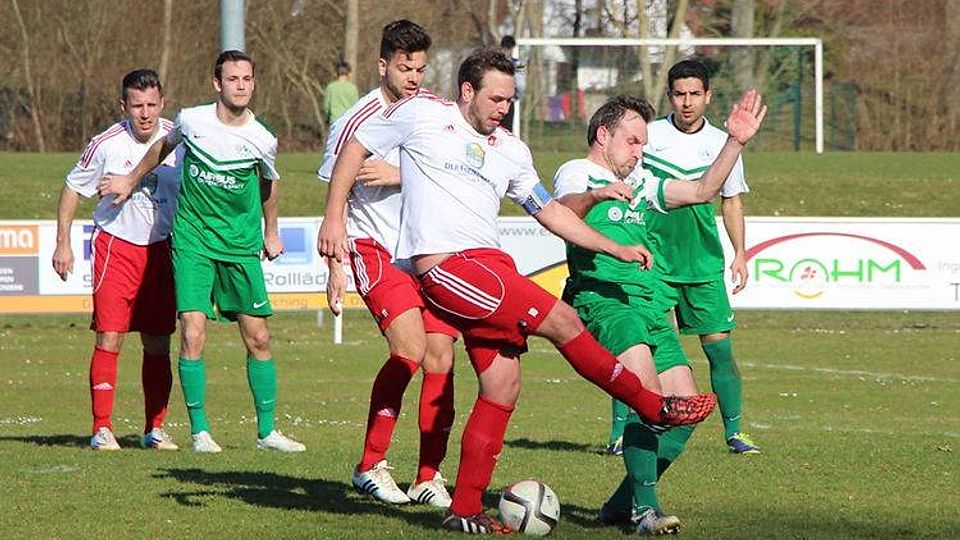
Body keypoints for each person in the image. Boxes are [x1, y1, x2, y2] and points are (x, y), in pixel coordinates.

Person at [318, 47, 717, 534]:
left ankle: (464, 509)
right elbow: (356, 145)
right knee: (564, 320)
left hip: (490, 265)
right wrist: (334, 217)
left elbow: (550, 212)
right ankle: (654, 406)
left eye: (509, 99)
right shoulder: (423, 113)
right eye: (496, 97)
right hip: (448, 266)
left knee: (503, 385)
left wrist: (613, 247)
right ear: (467, 91)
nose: (503, 107)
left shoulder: (511, 150)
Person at [554, 93, 766, 534]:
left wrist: (735, 142)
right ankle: (644, 512)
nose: (639, 151)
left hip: (649, 304)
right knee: (645, 398)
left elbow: (703, 192)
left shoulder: (644, 181)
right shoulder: (577, 172)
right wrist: (596, 194)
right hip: (606, 299)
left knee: (685, 408)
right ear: (603, 135)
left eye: (643, 144)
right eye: (632, 141)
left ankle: (621, 503)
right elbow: (560, 213)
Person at [99, 50, 305, 454]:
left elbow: (269, 186)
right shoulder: (191, 121)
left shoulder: (263, 139)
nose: (241, 85)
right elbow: (161, 147)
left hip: (240, 246)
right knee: (193, 332)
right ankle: (200, 433)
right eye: (233, 79)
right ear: (217, 83)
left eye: (247, 78)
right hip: (192, 242)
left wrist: (272, 230)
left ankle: (267, 433)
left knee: (259, 338)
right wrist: (129, 178)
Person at [318, 19, 457, 507]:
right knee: (411, 349)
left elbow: (448, 170)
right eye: (404, 68)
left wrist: (400, 173)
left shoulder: (433, 114)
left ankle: (428, 476)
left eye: (420, 67)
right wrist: (334, 254)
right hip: (374, 247)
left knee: (442, 356)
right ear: (383, 66)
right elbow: (335, 182)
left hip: (427, 250)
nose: (414, 77)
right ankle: (370, 464)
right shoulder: (358, 119)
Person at [53, 69, 180, 451]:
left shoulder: (179, 138)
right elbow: (72, 188)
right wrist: (63, 243)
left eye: (152, 105)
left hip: (162, 248)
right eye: (137, 105)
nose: (145, 113)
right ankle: (102, 428)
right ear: (123, 105)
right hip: (117, 247)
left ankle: (154, 429)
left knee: (158, 341)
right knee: (111, 335)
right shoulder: (105, 143)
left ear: (162, 103)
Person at [638, 59, 760, 455]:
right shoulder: (649, 136)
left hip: (702, 264)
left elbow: (731, 200)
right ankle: (622, 434)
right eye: (679, 94)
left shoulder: (724, 143)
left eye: (694, 94)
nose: (687, 102)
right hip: (652, 262)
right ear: (669, 96)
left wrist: (740, 253)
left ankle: (735, 432)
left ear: (707, 96)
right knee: (641, 348)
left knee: (719, 348)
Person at [498, 35, 524, 132]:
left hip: (492, 100)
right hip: (508, 101)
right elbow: (521, 85)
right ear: (513, 47)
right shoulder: (518, 64)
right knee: (506, 131)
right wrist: (516, 97)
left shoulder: (492, 62)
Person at [324, 61, 360, 125]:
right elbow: (356, 106)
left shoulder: (330, 87)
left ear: (336, 73)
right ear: (348, 73)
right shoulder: (353, 88)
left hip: (334, 120)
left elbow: (327, 106)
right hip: (348, 121)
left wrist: (327, 118)